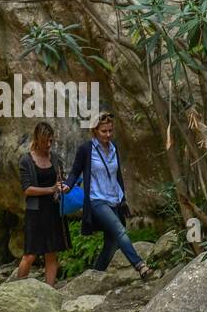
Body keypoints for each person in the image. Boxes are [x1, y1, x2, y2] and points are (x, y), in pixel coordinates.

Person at [62, 110, 153, 280]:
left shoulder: (114, 147)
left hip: (115, 200)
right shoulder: (86, 149)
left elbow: (116, 175)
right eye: (104, 131)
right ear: (94, 131)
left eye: (110, 130)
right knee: (120, 230)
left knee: (111, 245)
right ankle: (140, 266)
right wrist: (67, 185)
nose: (108, 134)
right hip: (97, 199)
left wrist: (123, 198)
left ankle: (93, 278)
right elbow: (75, 172)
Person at [16, 121, 70, 286]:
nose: (48, 145)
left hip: (53, 211)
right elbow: (27, 189)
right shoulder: (26, 160)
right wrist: (51, 189)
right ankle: (17, 290)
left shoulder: (55, 159)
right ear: (37, 140)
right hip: (35, 212)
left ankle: (50, 291)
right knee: (30, 254)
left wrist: (63, 186)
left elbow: (60, 180)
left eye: (51, 141)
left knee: (51, 253)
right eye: (45, 141)